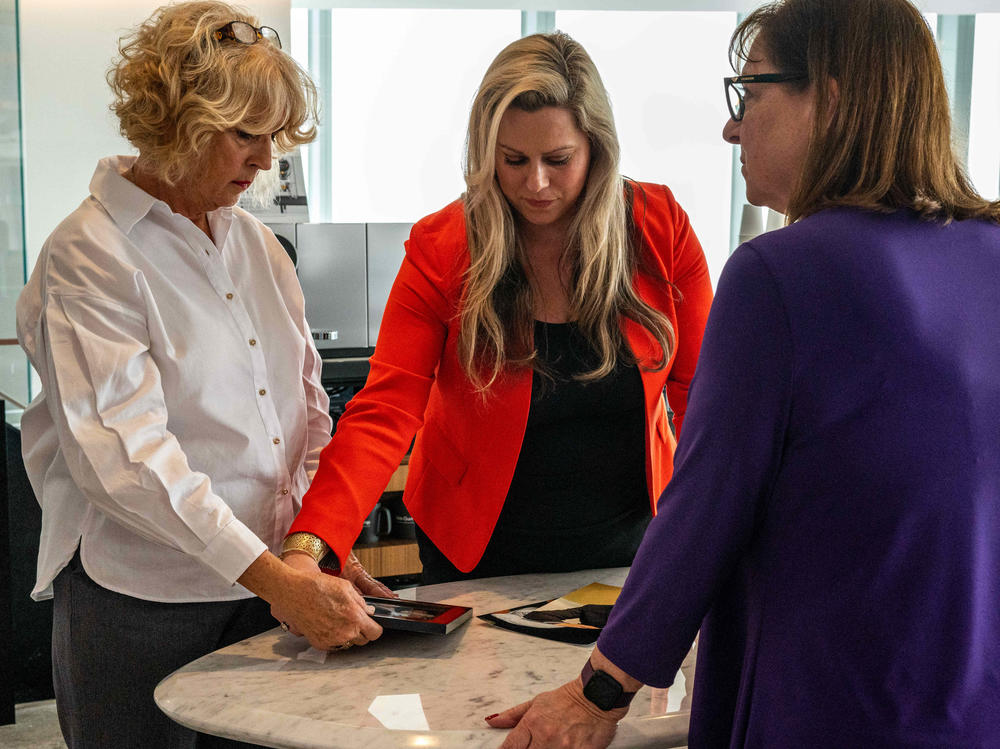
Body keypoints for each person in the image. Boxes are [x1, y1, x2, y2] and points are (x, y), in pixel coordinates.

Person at [488, 0, 1000, 746]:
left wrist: (600, 690)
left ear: (827, 96)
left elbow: (707, 505)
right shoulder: (989, 255)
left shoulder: (779, 274)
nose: (733, 125)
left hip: (831, 702)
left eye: (750, 92)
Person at [17, 3, 386, 746]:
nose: (265, 159)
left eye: (274, 137)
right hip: (142, 601)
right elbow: (126, 460)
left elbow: (305, 417)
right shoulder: (89, 255)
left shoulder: (258, 247)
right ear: (174, 122)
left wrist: (313, 548)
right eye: (245, 134)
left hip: (270, 589)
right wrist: (281, 580)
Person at [278, 32, 713, 586]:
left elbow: (702, 395)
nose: (536, 184)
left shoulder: (659, 227)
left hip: (630, 543)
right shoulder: (442, 246)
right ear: (486, 153)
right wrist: (309, 545)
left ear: (597, 150)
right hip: (476, 549)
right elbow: (385, 410)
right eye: (513, 160)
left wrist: (717, 528)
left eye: (558, 160)